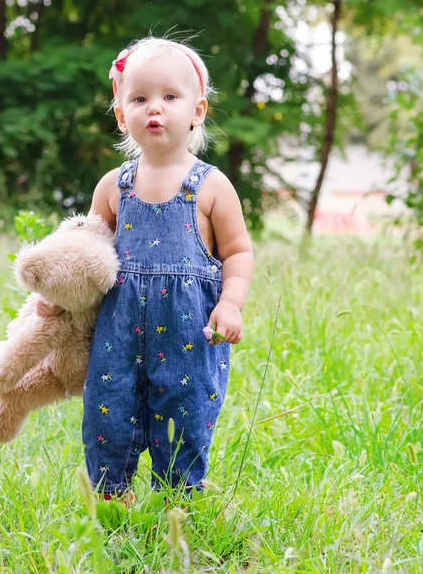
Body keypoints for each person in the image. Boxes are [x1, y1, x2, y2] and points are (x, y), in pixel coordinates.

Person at [38, 36, 254, 504]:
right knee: (107, 414)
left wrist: (231, 303)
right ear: (121, 114)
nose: (154, 108)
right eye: (139, 98)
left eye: (169, 97)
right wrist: (58, 295)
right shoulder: (114, 186)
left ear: (197, 110)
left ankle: (177, 502)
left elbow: (237, 251)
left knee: (185, 414)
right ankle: (113, 501)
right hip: (116, 333)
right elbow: (87, 252)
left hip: (188, 334)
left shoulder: (211, 186)